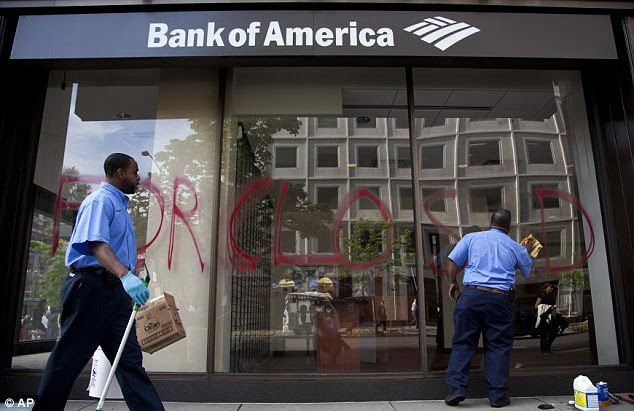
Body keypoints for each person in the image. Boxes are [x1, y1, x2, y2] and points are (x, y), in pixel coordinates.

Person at [34, 153, 163, 411]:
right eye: (135, 172)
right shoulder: (100, 201)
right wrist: (125, 276)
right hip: (91, 289)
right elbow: (97, 244)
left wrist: (128, 279)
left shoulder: (119, 207)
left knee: (129, 362)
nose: (139, 178)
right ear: (119, 172)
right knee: (68, 359)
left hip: (114, 293)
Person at [444, 209, 537, 408]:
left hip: (471, 296)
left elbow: (452, 261)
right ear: (509, 227)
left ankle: (457, 390)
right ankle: (497, 397)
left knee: (463, 343)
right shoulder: (514, 247)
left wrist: (453, 282)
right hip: (500, 299)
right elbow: (527, 269)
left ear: (490, 223)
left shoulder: (471, 238)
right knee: (498, 347)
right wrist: (526, 251)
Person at [534, 283, 557, 353]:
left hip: (550, 315)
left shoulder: (551, 295)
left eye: (552, 287)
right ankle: (544, 348)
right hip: (544, 316)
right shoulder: (542, 295)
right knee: (544, 333)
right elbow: (536, 306)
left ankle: (547, 346)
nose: (552, 289)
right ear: (546, 288)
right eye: (551, 287)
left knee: (554, 331)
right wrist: (545, 306)